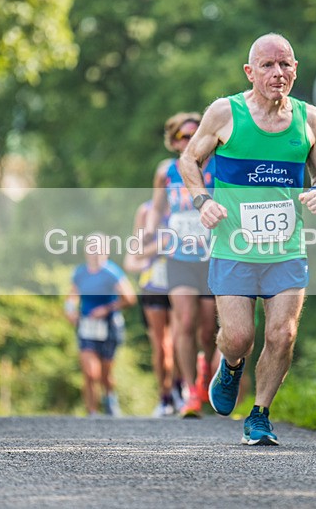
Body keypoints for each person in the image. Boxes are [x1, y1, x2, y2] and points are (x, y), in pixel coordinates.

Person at [178, 33, 316, 445]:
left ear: (295, 69)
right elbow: (189, 159)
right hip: (235, 246)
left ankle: (260, 415)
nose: (277, 73)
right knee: (239, 337)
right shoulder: (224, 113)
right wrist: (202, 200)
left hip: (286, 247)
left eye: (285, 64)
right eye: (267, 65)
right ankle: (230, 366)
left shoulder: (310, 119)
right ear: (250, 72)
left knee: (282, 333)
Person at [144, 112, 218, 418]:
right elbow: (157, 207)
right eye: (183, 137)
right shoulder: (166, 172)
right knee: (184, 323)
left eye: (194, 135)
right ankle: (190, 392)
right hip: (178, 256)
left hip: (212, 255)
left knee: (208, 330)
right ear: (174, 142)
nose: (189, 141)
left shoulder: (216, 167)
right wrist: (150, 230)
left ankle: (204, 374)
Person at [65, 233, 137, 417]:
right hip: (87, 326)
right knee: (90, 373)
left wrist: (107, 308)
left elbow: (130, 298)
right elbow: (72, 296)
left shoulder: (112, 272)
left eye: (99, 248)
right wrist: (70, 310)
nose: (95, 252)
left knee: (105, 375)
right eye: (92, 248)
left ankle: (109, 398)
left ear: (106, 250)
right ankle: (92, 413)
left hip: (109, 326)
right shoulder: (80, 272)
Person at [124, 201, 181, 417]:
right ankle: (164, 395)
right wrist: (159, 247)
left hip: (180, 281)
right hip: (153, 287)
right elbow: (133, 256)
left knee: (179, 340)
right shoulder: (146, 211)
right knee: (162, 346)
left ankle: (180, 388)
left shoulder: (184, 207)